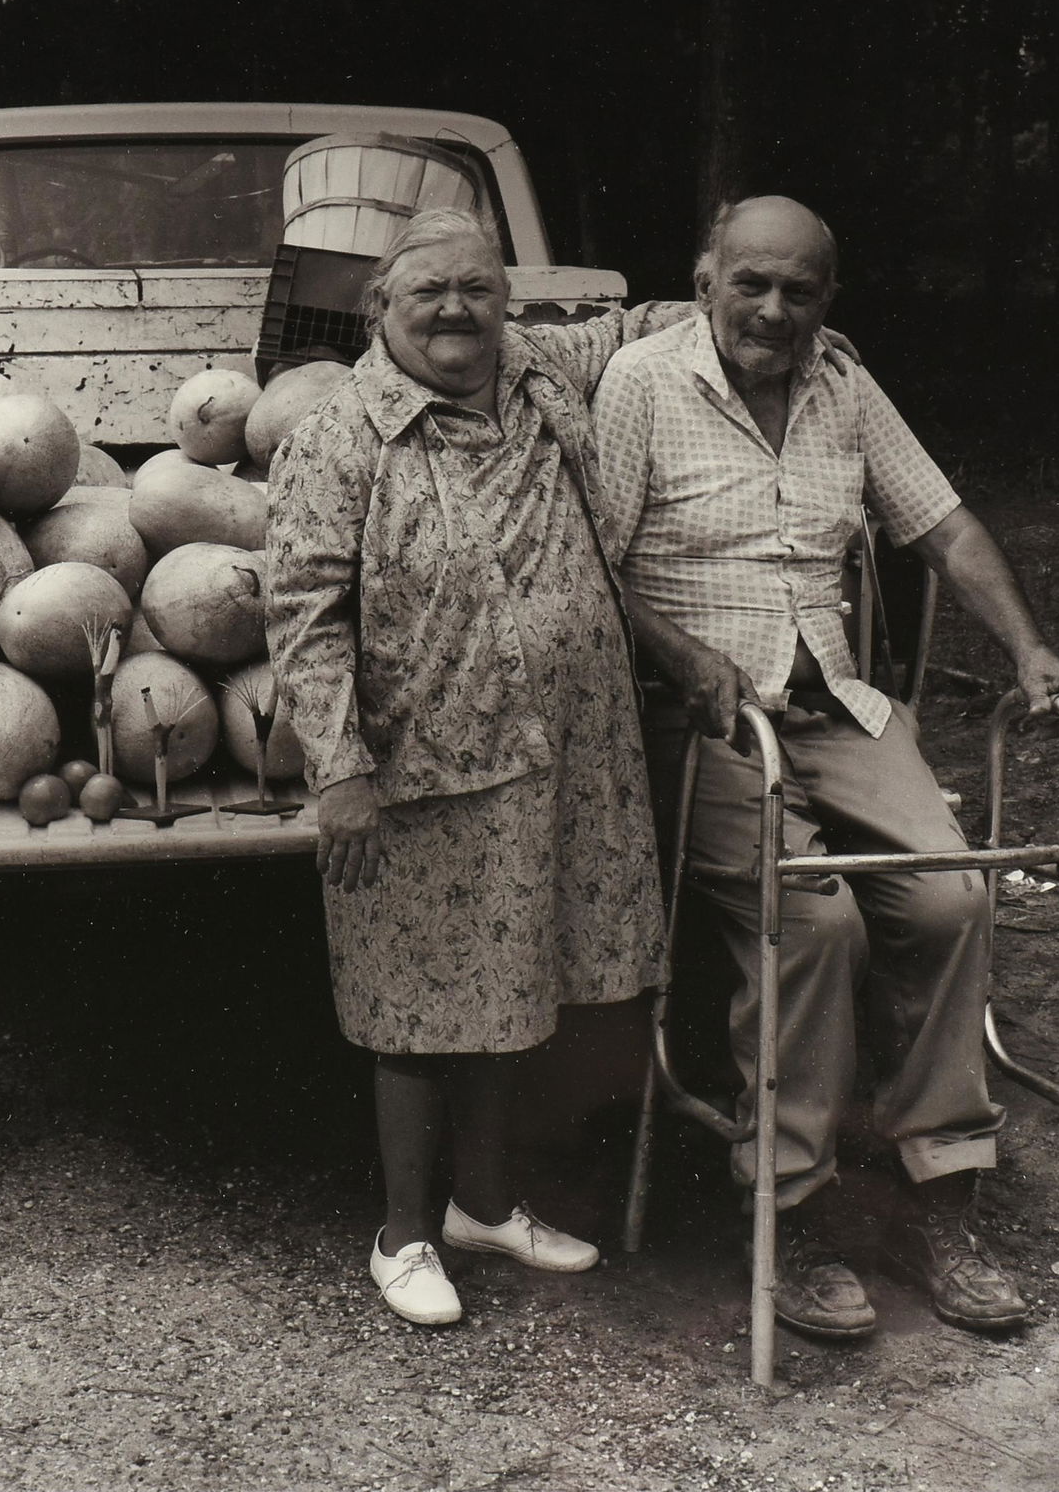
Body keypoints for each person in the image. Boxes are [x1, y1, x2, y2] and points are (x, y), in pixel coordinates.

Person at [591, 195, 1059, 1338]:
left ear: (827, 298)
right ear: (706, 277)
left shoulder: (842, 384)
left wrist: (1025, 643)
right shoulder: (642, 384)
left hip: (832, 704)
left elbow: (946, 526)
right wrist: (682, 654)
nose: (774, 309)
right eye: (752, 283)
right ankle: (794, 1212)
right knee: (809, 923)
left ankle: (940, 1197)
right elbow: (593, 566)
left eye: (799, 290)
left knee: (953, 892)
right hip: (702, 716)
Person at [264, 208, 694, 1327]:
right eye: (428, 294)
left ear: (509, 303)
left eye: (478, 289)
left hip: (558, 752)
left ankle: (486, 1204)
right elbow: (301, 608)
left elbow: (645, 322)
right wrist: (339, 767)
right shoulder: (341, 430)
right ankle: (403, 1232)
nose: (456, 309)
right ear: (379, 312)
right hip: (423, 760)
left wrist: (752, 321)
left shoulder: (537, 367)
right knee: (416, 998)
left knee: (513, 980)